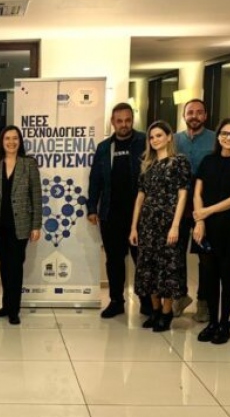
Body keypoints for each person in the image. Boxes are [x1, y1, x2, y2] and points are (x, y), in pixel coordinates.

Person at [192, 118, 230, 345]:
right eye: (225, 133)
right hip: (206, 227)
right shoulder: (208, 161)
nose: (229, 137)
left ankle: (224, 323)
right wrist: (200, 221)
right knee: (209, 276)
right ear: (218, 137)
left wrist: (207, 211)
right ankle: (212, 322)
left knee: (227, 276)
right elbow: (197, 193)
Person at [87, 102, 148, 318]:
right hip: (110, 213)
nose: (124, 124)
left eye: (127, 120)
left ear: (132, 120)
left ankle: (146, 301)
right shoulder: (104, 147)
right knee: (114, 260)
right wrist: (92, 207)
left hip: (140, 214)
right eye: (119, 121)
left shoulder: (145, 142)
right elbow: (95, 179)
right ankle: (116, 301)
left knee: (142, 259)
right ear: (113, 122)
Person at [129, 120, 191, 332]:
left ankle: (166, 312)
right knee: (148, 268)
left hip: (168, 223)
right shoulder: (148, 164)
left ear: (169, 137)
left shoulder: (179, 162)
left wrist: (175, 225)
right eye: (151, 137)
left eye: (159, 135)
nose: (155, 140)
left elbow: (183, 195)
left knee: (168, 268)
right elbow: (140, 197)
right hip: (148, 224)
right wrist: (134, 227)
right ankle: (155, 311)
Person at [0, 126, 43, 325]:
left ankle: (14, 309)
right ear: (2, 141)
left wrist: (36, 225)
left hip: (21, 226)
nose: (11, 142)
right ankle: (6, 305)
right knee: (4, 266)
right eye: (7, 138)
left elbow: (36, 196)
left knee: (15, 266)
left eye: (15, 138)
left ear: (20, 141)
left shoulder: (29, 164)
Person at [174, 99, 217, 322]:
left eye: (199, 112)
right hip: (178, 205)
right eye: (190, 112)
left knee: (205, 256)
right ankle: (180, 296)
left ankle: (204, 301)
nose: (194, 116)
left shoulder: (215, 139)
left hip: (205, 205)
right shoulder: (174, 140)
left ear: (205, 115)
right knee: (176, 252)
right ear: (184, 115)